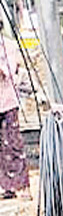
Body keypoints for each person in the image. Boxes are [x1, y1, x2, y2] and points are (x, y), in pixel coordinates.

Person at [0, 36, 27, 198]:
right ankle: (5, 187)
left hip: (7, 101)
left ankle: (20, 185)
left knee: (13, 143)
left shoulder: (8, 46)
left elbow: (7, 71)